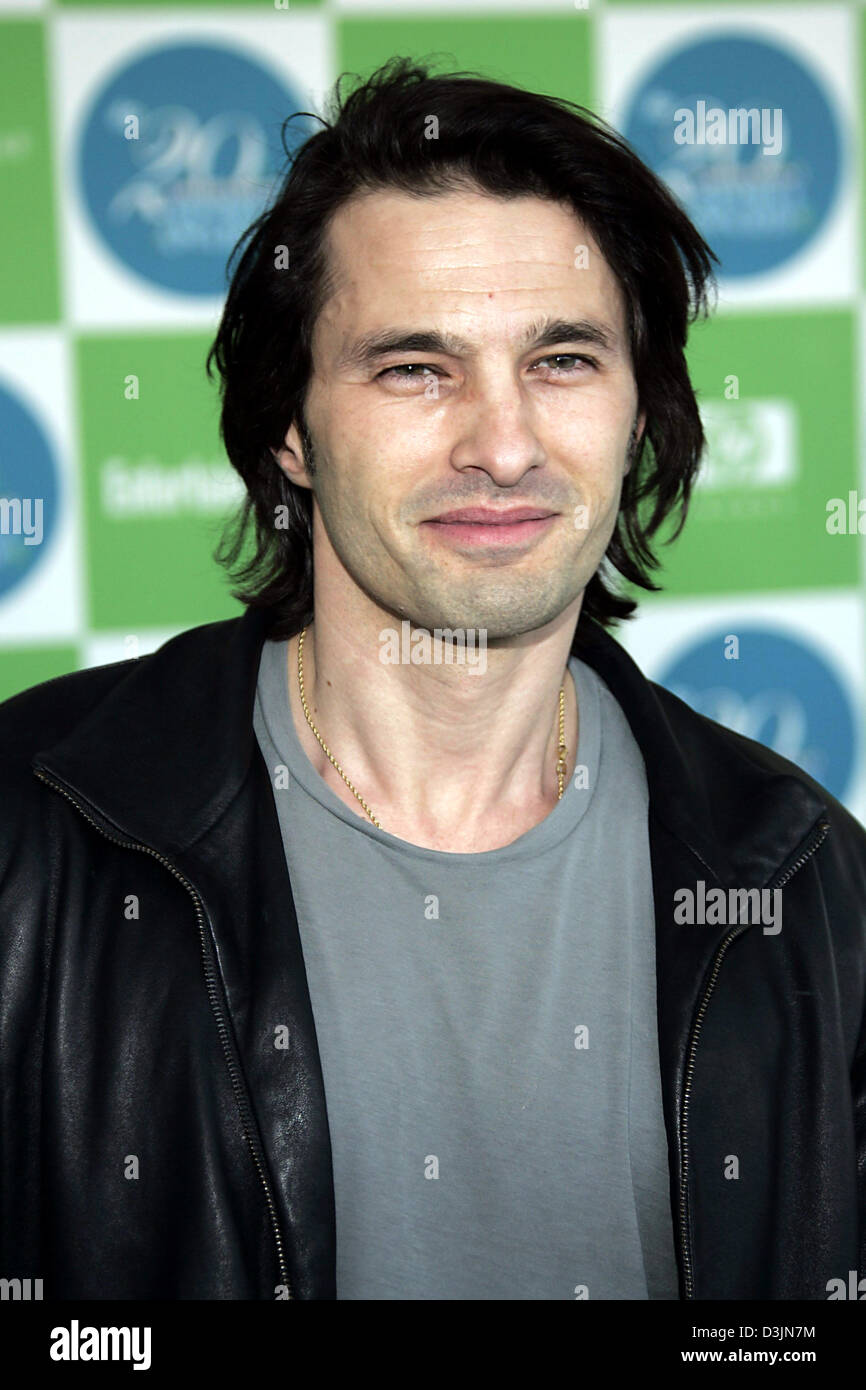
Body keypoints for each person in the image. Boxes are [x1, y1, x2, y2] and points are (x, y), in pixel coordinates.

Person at [1, 57, 864, 1302]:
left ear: (637, 413)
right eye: (415, 368)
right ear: (289, 430)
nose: (501, 444)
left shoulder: (801, 880)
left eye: (562, 360)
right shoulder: (37, 836)